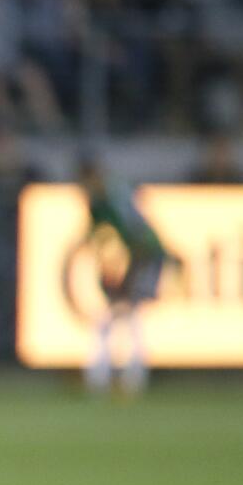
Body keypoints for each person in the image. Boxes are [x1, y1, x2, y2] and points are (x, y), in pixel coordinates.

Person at [78, 155, 169, 396]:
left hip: (145, 258)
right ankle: (112, 377)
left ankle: (126, 378)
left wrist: (128, 278)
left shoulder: (116, 198)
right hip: (126, 262)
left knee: (128, 314)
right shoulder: (96, 204)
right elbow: (100, 241)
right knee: (119, 317)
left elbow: (140, 241)